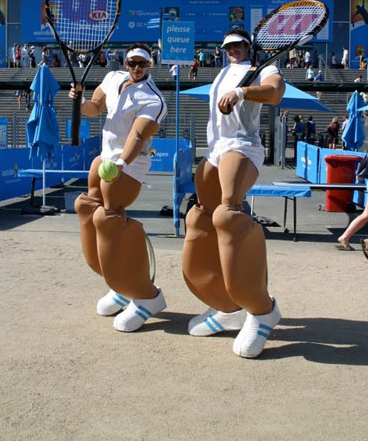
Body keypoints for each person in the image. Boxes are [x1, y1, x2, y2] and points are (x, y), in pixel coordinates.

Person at [182, 27, 285, 359]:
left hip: (243, 146)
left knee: (228, 215)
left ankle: (262, 309)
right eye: (229, 46)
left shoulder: (264, 69)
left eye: (239, 45)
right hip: (216, 149)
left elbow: (275, 93)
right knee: (201, 215)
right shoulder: (223, 72)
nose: (234, 50)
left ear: (248, 47)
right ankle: (228, 306)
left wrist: (242, 93)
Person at [69, 43, 168, 333]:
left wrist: (122, 163)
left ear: (150, 65)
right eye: (132, 62)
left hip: (129, 165)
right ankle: (121, 286)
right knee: (86, 207)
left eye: (142, 63)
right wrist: (80, 99)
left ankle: (148, 296)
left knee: (108, 219)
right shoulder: (112, 78)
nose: (136, 67)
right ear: (125, 62)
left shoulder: (154, 99)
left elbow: (137, 135)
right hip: (107, 158)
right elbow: (94, 108)